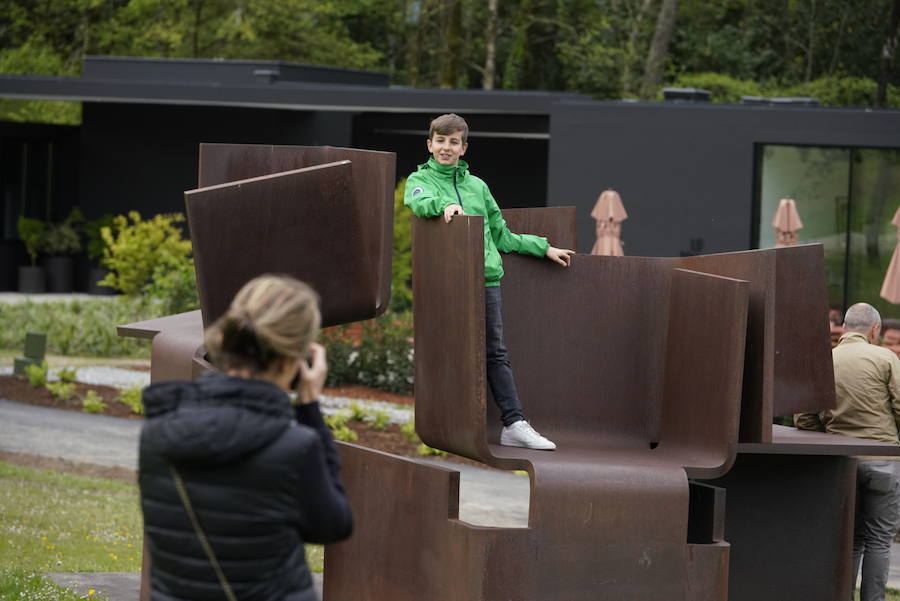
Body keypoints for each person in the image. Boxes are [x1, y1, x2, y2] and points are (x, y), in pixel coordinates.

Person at [139, 275, 352, 601]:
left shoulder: (158, 431)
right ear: (295, 361)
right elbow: (333, 525)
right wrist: (310, 409)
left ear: (223, 342)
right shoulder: (294, 446)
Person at [404, 113, 574, 451]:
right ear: (430, 144)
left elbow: (502, 235)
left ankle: (514, 423)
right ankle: (447, 425)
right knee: (450, 350)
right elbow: (419, 202)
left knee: (495, 352)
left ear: (464, 148)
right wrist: (445, 205)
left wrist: (543, 248)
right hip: (449, 284)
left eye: (454, 142)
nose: (446, 148)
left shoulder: (477, 186)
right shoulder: (419, 180)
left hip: (486, 281)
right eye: (440, 141)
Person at [795, 303, 900, 601]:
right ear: (875, 329)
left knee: (850, 539)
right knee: (879, 540)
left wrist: (829, 433)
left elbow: (803, 418)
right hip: (883, 460)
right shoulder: (885, 358)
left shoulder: (822, 360)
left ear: (844, 327)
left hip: (840, 463)